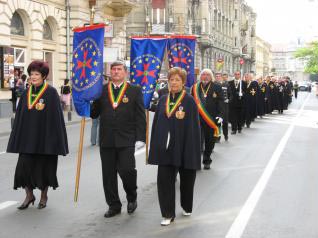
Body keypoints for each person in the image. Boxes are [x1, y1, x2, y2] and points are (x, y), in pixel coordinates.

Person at [7, 60, 69, 210]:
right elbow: (21, 117)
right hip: (28, 140)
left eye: (36, 74)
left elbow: (56, 119)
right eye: (31, 74)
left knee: (44, 168)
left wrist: (54, 140)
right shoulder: (26, 92)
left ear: (44, 76)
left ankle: (43, 196)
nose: (33, 77)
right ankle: (29, 195)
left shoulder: (51, 92)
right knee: (23, 168)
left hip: (45, 140)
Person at [90, 60, 146, 218]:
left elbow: (140, 116)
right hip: (107, 139)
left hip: (127, 139)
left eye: (119, 69)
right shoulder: (100, 90)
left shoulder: (134, 90)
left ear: (125, 72)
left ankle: (131, 196)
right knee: (108, 175)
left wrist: (140, 138)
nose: (115, 72)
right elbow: (94, 114)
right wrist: (89, 101)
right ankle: (113, 205)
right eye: (113, 69)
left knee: (127, 170)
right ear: (110, 72)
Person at [148, 67, 201, 226]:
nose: (174, 82)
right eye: (171, 79)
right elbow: (157, 123)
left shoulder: (190, 101)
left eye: (177, 80)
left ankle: (186, 205)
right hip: (166, 148)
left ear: (183, 82)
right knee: (164, 181)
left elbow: (194, 127)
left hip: (184, 146)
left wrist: (192, 149)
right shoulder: (163, 99)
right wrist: (156, 145)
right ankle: (167, 214)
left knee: (187, 179)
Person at [192, 69, 223, 169]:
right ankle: (196, 161)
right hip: (197, 118)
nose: (205, 76)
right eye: (203, 74)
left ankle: (207, 159)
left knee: (210, 140)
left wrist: (220, 115)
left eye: (207, 75)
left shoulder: (217, 87)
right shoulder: (195, 88)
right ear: (200, 76)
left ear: (211, 77)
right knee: (196, 140)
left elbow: (221, 102)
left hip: (211, 118)